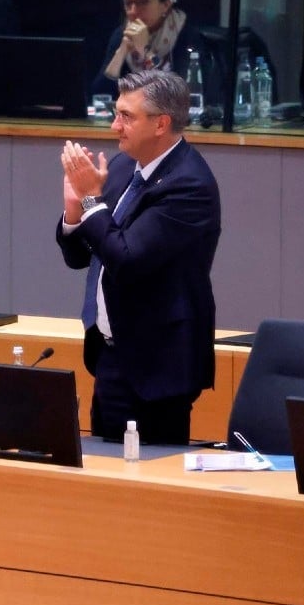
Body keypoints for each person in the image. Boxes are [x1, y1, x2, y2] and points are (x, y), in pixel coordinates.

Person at [57, 69, 221, 445]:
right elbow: (80, 256)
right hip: (110, 356)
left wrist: (91, 201)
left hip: (157, 366)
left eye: (126, 116)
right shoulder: (120, 168)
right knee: (103, 470)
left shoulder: (189, 185)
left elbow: (127, 261)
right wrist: (74, 211)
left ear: (161, 123)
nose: (114, 126)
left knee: (148, 474)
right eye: (116, 114)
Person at [92, 0, 209, 99]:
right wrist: (122, 51)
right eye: (128, 3)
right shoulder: (122, 34)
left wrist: (146, 51)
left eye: (142, 2)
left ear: (166, 4)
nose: (133, 11)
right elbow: (99, 95)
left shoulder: (186, 36)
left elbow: (180, 95)